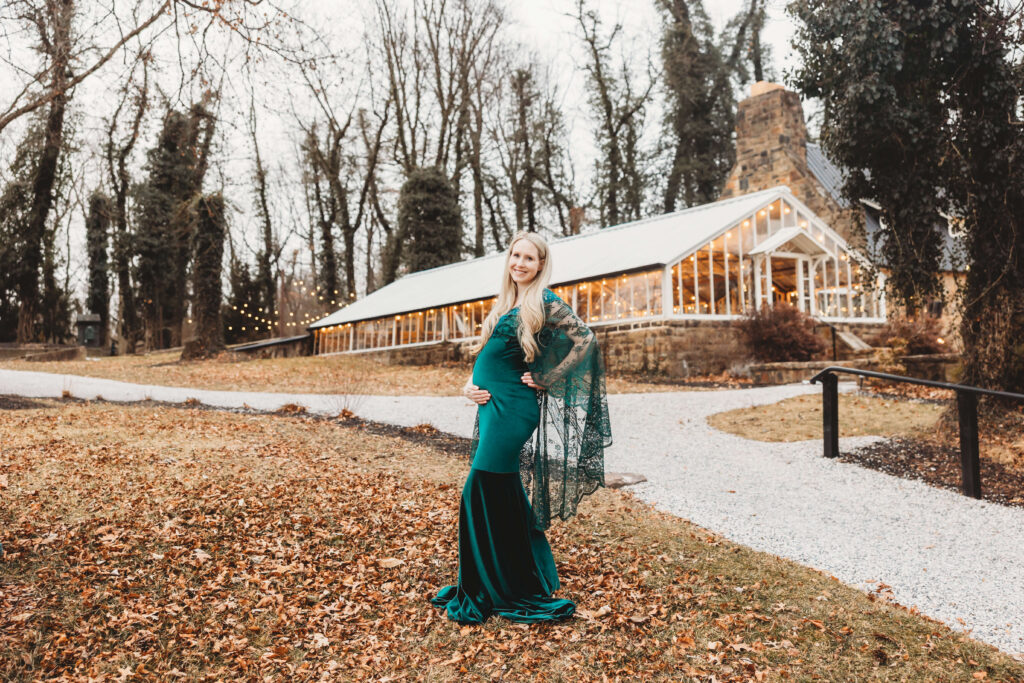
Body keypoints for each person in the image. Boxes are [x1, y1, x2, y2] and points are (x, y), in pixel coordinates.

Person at [429, 230, 613, 624]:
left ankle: (497, 584)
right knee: (504, 492)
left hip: (513, 412)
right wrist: (469, 385)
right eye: (515, 255)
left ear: (541, 264)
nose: (520, 263)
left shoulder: (544, 300)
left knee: (479, 489)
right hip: (493, 408)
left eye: (529, 258)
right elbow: (491, 357)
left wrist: (549, 377)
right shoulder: (507, 302)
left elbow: (586, 340)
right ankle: (517, 574)